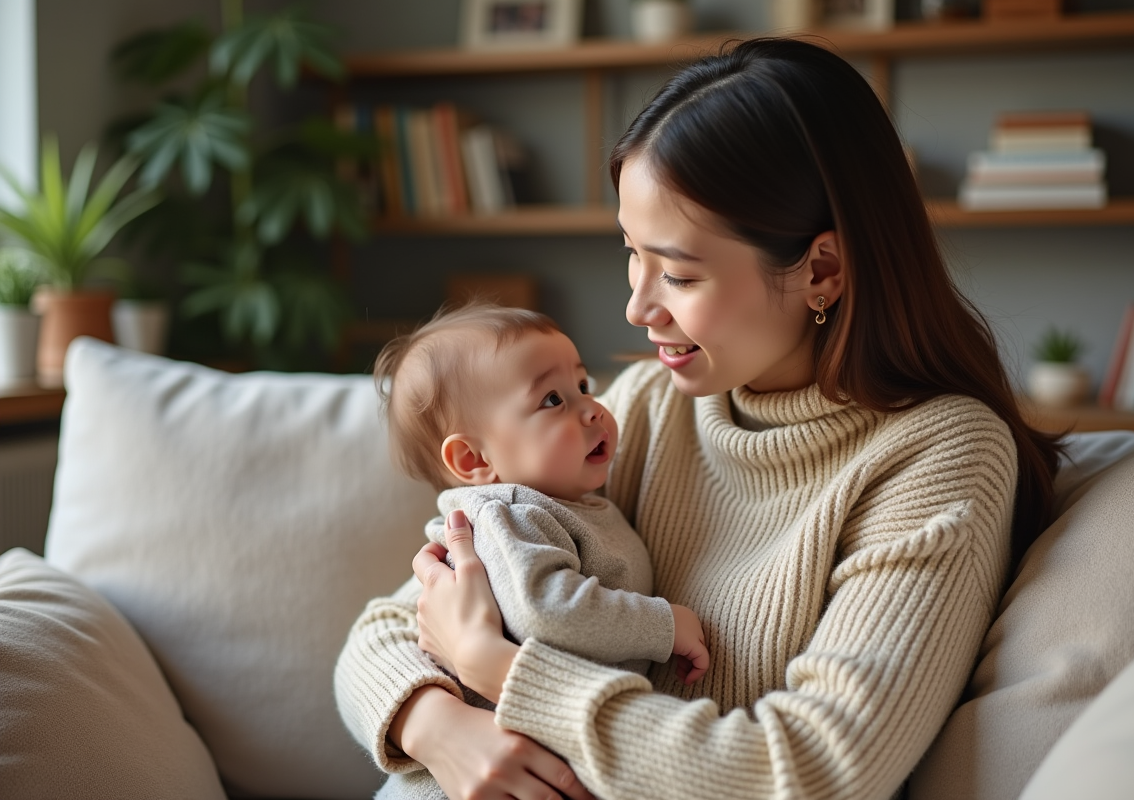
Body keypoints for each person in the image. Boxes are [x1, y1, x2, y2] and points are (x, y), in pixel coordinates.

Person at [335, 37, 1063, 800]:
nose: (637, 307)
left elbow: (814, 771)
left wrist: (498, 671)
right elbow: (385, 632)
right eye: (632, 255)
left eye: (678, 273)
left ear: (821, 270)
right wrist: (437, 728)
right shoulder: (646, 406)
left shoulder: (939, 454)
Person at [358, 302, 710, 799]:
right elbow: (547, 610)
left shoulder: (559, 505)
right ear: (473, 459)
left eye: (583, 386)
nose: (592, 407)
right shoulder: (510, 516)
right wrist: (664, 624)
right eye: (552, 399)